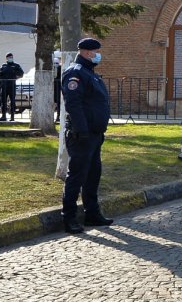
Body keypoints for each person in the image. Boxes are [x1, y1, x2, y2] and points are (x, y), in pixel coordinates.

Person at [61, 37, 113, 233]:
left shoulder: (91, 74)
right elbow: (74, 104)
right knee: (77, 176)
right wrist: (81, 130)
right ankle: (69, 217)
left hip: (94, 134)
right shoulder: (76, 73)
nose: (98, 55)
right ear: (86, 52)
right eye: (95, 52)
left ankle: (92, 213)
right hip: (81, 134)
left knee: (93, 175)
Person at [0, 53, 24, 121]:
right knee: (3, 101)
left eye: (11, 57)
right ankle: (3, 116)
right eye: (9, 57)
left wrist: (15, 77)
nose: (10, 58)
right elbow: (0, 74)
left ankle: (12, 117)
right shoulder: (4, 66)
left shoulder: (16, 65)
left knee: (12, 101)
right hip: (4, 85)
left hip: (12, 85)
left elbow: (21, 74)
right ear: (6, 58)